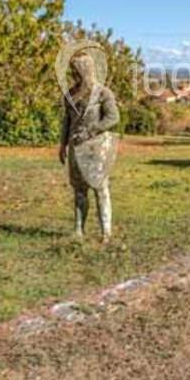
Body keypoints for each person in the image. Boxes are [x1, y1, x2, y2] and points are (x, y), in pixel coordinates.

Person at [59, 51, 120, 241]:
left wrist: (93, 130)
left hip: (97, 148)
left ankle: (106, 233)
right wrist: (62, 144)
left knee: (100, 189)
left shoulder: (103, 93)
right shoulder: (70, 95)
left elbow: (113, 117)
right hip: (76, 147)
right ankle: (79, 230)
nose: (74, 75)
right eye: (72, 71)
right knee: (79, 190)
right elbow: (67, 121)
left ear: (87, 69)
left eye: (77, 71)